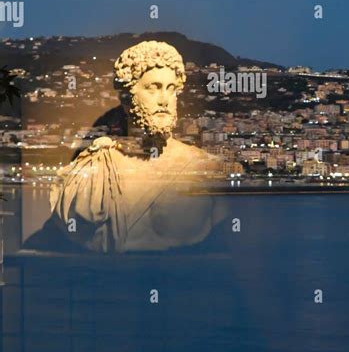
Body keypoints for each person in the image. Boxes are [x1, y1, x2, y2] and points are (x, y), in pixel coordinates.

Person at [27, 41, 225, 253]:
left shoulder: (203, 166)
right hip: (104, 281)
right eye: (154, 88)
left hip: (185, 282)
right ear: (126, 97)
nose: (165, 100)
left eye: (172, 89)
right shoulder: (96, 168)